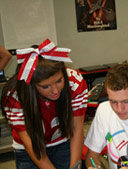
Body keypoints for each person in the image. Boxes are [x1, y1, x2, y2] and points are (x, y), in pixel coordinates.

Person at [1, 39, 88, 169]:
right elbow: (29, 142)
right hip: (29, 149)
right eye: (45, 86)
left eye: (59, 81)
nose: (55, 90)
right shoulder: (15, 95)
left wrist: (75, 166)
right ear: (31, 85)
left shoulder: (74, 83)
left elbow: (76, 128)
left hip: (62, 142)